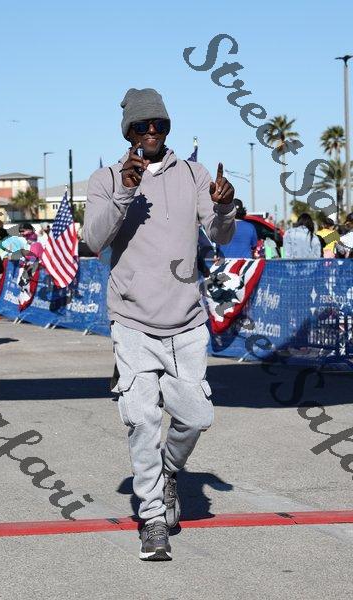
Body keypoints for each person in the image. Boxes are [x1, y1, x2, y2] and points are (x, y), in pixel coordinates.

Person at [83, 87, 235, 561]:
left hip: (186, 321)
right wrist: (125, 192)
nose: (152, 132)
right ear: (127, 131)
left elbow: (220, 233)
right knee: (142, 420)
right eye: (142, 125)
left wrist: (225, 207)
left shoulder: (193, 174)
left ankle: (169, 472)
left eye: (160, 125)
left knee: (197, 417)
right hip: (132, 321)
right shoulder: (106, 178)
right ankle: (152, 518)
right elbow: (92, 241)